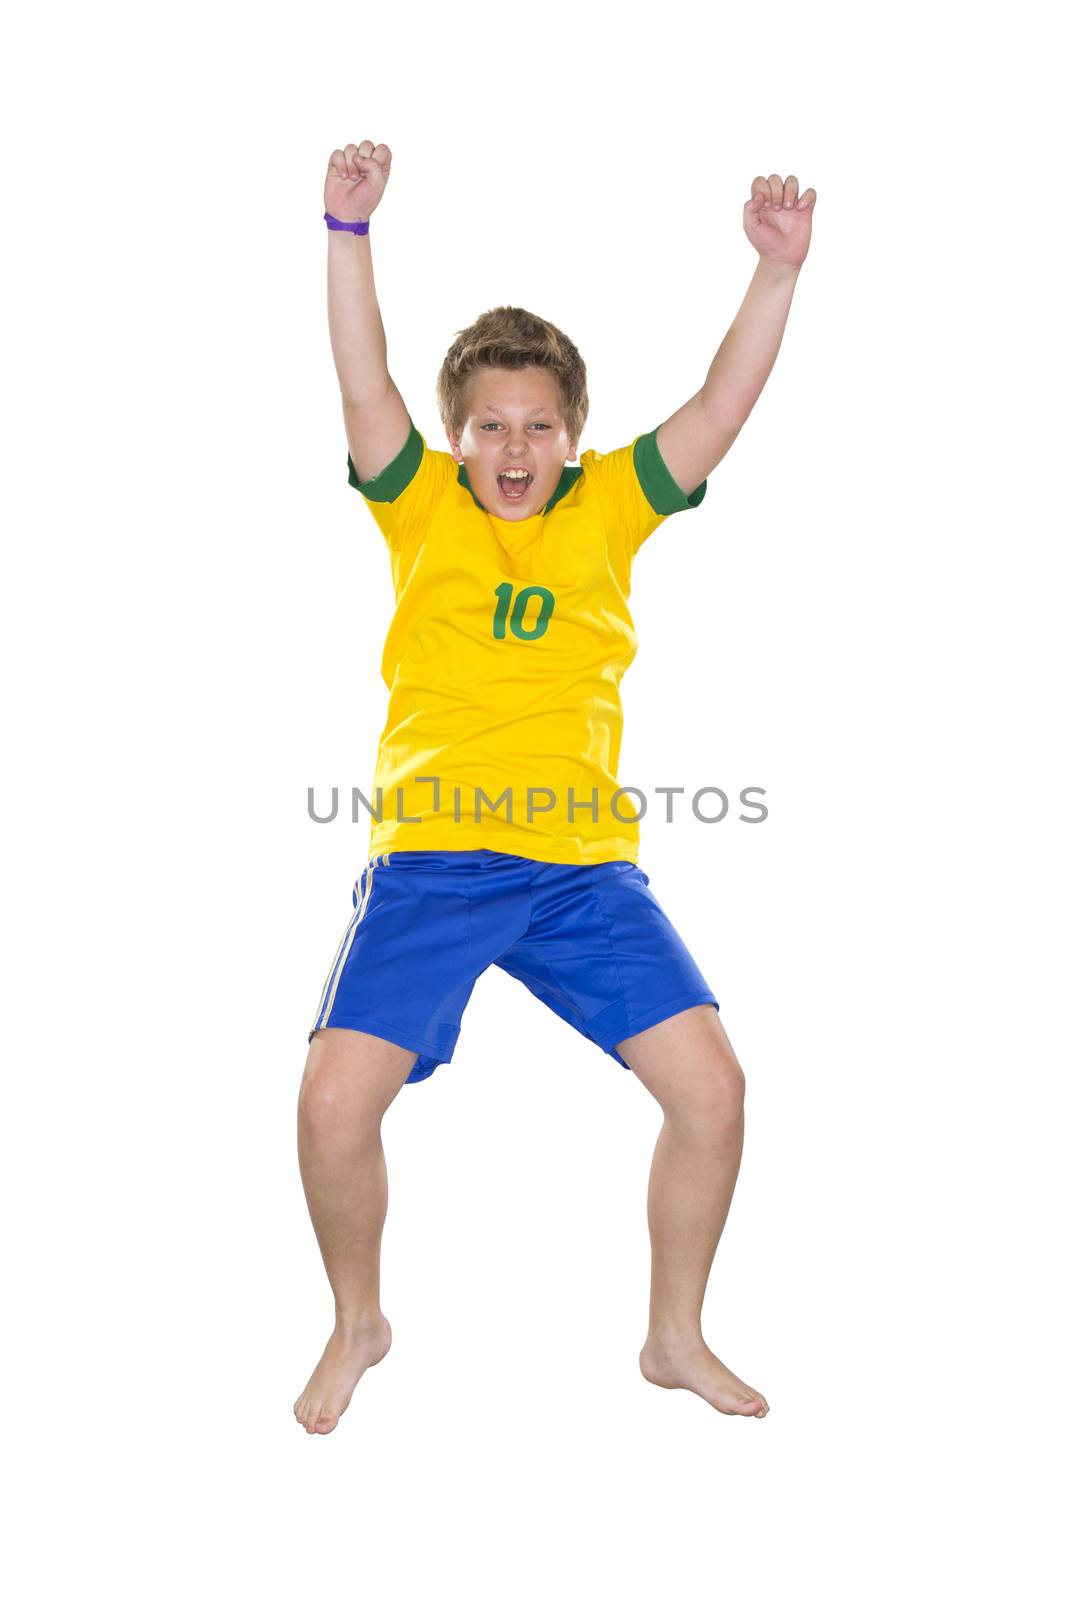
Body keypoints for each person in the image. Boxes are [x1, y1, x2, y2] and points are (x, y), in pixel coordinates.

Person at [295, 138, 816, 1435]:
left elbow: (721, 406)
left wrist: (775, 274)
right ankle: (359, 1316)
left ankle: (672, 1334)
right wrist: (347, 236)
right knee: (330, 1104)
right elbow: (363, 382)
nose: (513, 446)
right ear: (458, 433)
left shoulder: (612, 508)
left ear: (572, 435)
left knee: (715, 1092)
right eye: (489, 425)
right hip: (434, 866)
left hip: (585, 877)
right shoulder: (418, 505)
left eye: (538, 425)